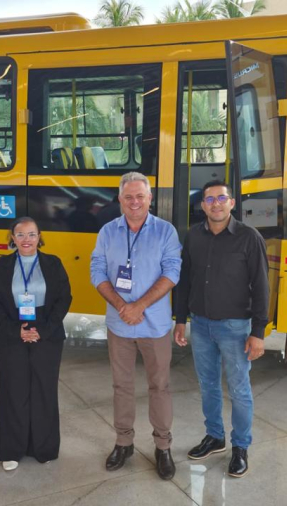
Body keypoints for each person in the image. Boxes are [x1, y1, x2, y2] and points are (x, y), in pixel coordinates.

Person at [173, 180, 269, 478]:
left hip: (235, 328)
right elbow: (185, 280)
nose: (216, 203)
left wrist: (258, 332)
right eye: (210, 199)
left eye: (221, 198)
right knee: (208, 385)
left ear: (232, 203)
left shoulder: (249, 237)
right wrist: (180, 319)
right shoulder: (193, 236)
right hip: (201, 325)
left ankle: (240, 446)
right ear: (203, 205)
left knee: (239, 390)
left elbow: (262, 286)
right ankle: (215, 436)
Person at [90, 171, 182, 481]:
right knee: (122, 386)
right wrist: (122, 307)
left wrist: (138, 306)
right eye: (128, 197)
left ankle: (163, 446)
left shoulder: (165, 231)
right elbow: (97, 271)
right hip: (119, 325)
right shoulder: (107, 232)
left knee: (160, 386)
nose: (134, 202)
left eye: (140, 196)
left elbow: (172, 272)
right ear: (119, 199)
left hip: (154, 326)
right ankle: (123, 442)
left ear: (150, 199)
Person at [0, 217, 72, 471]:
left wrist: (42, 330)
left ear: (39, 237)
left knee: (44, 390)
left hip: (48, 332)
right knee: (13, 391)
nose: (26, 240)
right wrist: (16, 330)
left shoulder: (53, 263)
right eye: (20, 234)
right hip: (12, 332)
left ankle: (43, 448)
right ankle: (12, 450)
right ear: (12, 237)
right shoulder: (1, 265)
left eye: (32, 234)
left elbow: (64, 299)